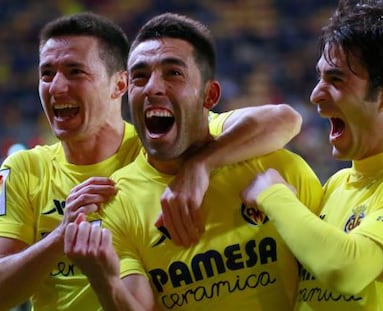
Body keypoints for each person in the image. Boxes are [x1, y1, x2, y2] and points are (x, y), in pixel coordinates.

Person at [0, 12, 303, 311]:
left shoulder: (160, 149)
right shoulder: (23, 169)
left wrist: (199, 165)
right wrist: (59, 237)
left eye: (75, 71)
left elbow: (283, 119)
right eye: (46, 74)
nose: (55, 87)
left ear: (120, 85)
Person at [241, 1, 383, 310]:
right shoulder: (336, 185)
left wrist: (274, 195)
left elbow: (346, 269)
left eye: (336, 80)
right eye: (320, 77)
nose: (315, 94)